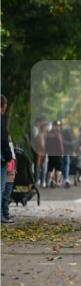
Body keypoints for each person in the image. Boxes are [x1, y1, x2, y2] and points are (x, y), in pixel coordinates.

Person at [1, 95, 13, 223]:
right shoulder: (1, 119)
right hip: (1, 158)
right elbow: (4, 139)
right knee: (1, 187)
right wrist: (9, 155)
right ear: (3, 105)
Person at [45, 121, 65, 188]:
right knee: (58, 168)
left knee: (50, 167)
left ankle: (48, 182)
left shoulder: (49, 134)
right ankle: (57, 182)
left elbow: (46, 144)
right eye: (57, 126)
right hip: (57, 153)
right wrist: (62, 152)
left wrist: (47, 151)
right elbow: (60, 144)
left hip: (50, 153)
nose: (58, 127)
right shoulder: (57, 134)